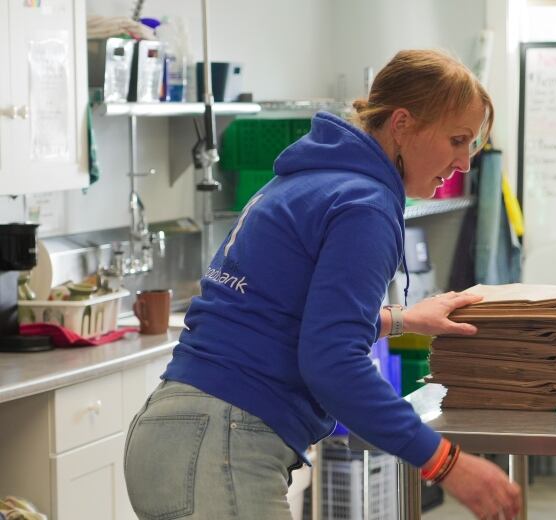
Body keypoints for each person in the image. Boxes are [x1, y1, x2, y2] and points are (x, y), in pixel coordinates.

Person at [124, 49, 522, 520]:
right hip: (222, 443)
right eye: (457, 140)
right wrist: (445, 462)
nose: (464, 163)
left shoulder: (313, 181)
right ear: (402, 124)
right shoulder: (366, 206)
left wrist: (404, 319)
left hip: (178, 431)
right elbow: (332, 362)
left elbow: (286, 314)